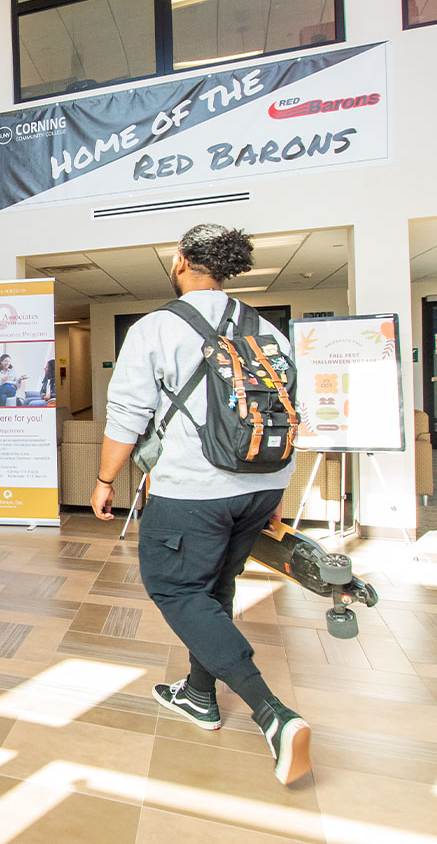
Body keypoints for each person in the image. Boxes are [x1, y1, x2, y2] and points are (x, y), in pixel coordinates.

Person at [90, 223, 311, 786]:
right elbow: (284, 414)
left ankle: (272, 714)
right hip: (262, 482)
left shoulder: (156, 328)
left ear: (182, 262)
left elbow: (127, 416)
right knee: (216, 587)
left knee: (176, 587)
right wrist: (275, 496)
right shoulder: (267, 328)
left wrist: (104, 480)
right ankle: (198, 694)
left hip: (194, 489)